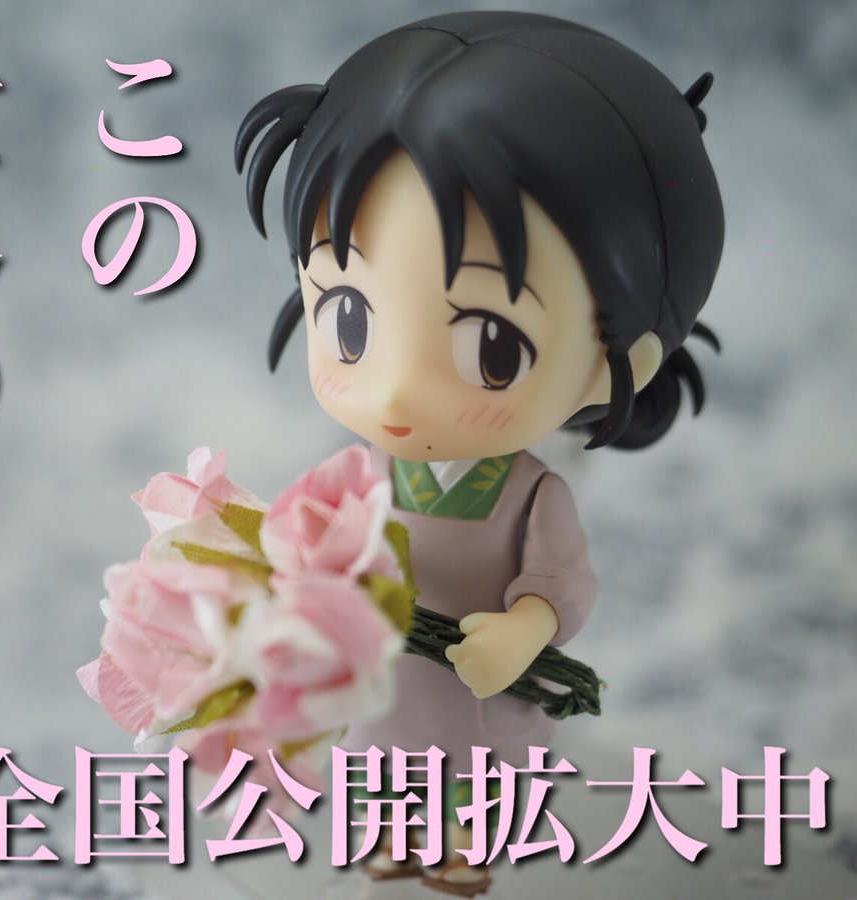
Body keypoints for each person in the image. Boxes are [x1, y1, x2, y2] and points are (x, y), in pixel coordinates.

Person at [235, 11, 723, 894]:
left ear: (620, 361)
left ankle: (466, 843)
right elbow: (300, 538)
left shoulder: (529, 495)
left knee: (473, 773)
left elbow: (561, 580)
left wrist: (525, 628)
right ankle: (393, 834)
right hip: (383, 675)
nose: (395, 393)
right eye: (348, 317)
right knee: (382, 756)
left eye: (493, 345)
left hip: (478, 688)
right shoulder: (363, 473)